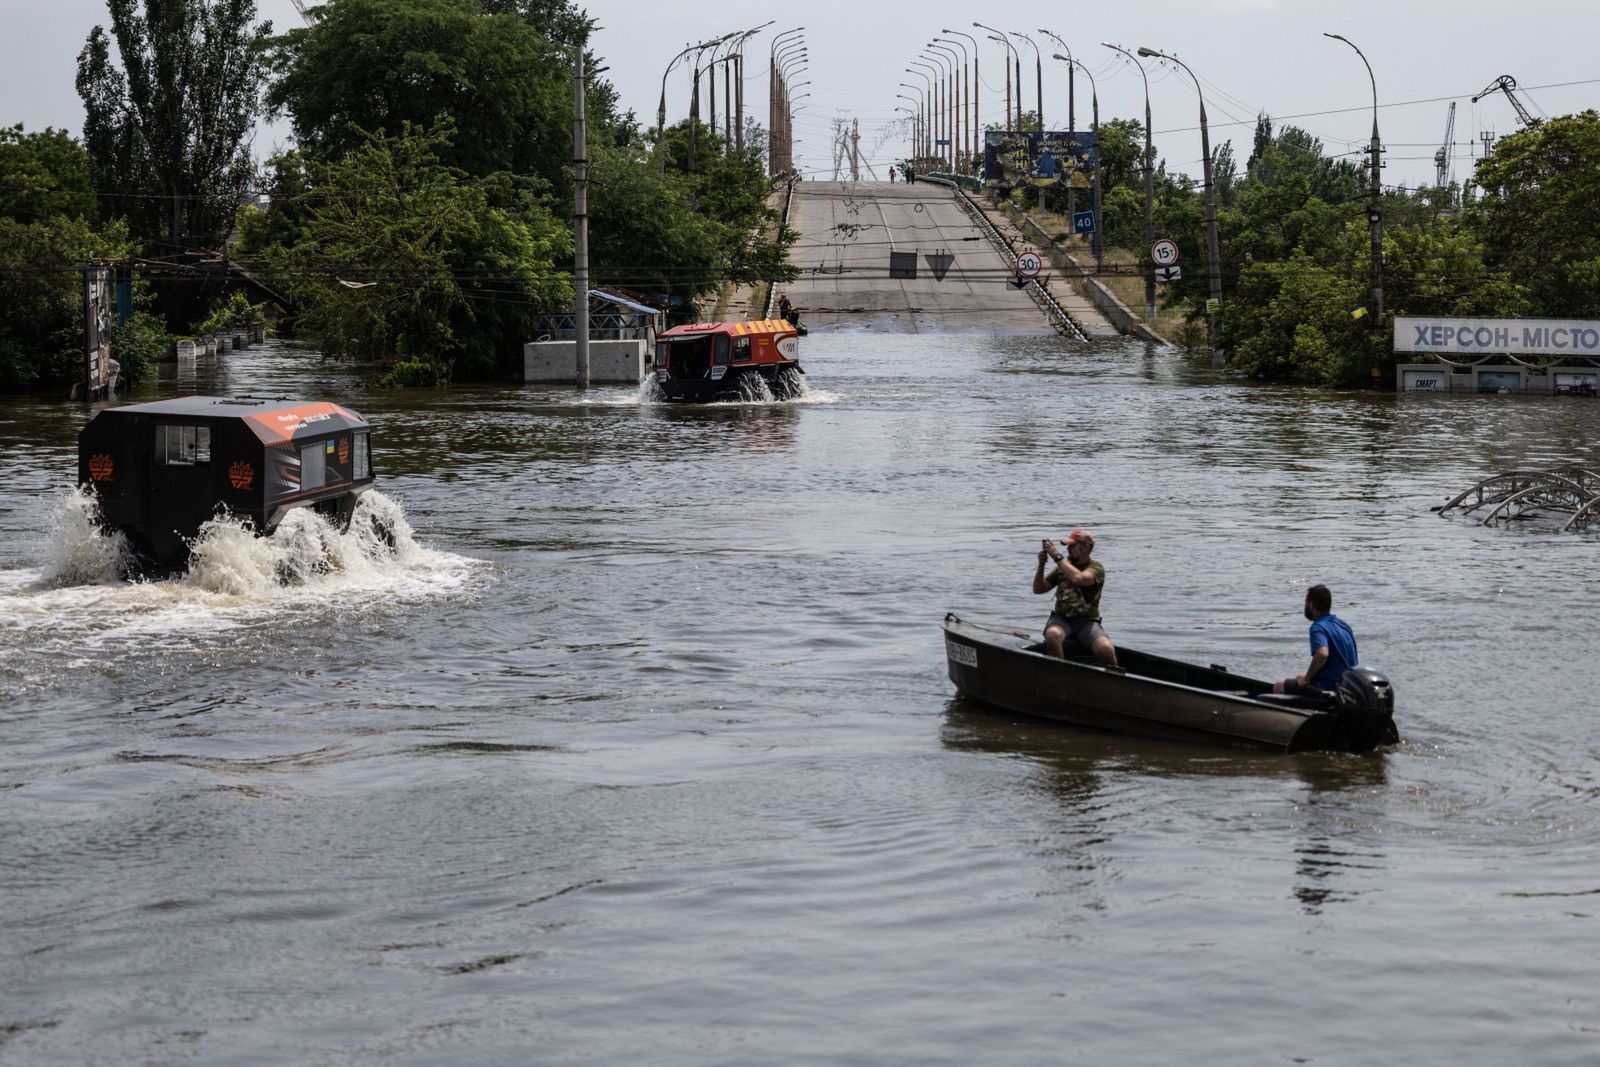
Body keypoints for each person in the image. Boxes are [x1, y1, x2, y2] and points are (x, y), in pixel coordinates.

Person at [1033, 529, 1117, 668]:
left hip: (1087, 623)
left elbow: (1080, 579)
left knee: (1106, 649)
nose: (1068, 549)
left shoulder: (1096, 567)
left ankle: (1112, 681)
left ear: (1086, 547)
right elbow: (1038, 589)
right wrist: (1041, 565)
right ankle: (1062, 673)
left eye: (1072, 546)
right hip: (1061, 620)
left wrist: (1057, 557)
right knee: (1052, 635)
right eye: (1067, 546)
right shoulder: (1063, 567)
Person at [1274, 584, 1358, 694]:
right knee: (1300, 676)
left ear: (1311, 604)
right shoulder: (1344, 626)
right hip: (1346, 687)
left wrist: (1307, 679)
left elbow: (1322, 653)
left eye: (1306, 602)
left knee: (1279, 686)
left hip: (1328, 687)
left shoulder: (1318, 627)